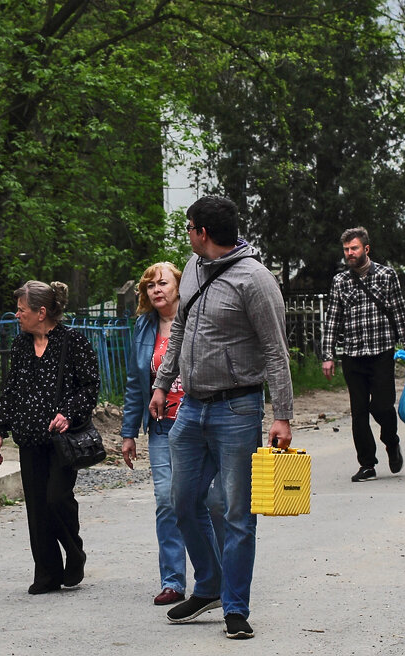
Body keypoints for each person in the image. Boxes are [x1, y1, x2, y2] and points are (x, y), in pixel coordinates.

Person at [149, 195, 294, 641]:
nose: (187, 234)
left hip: (237, 409)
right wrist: (161, 383)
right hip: (190, 408)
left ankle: (235, 606)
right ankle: (207, 585)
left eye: (189, 227)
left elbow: (275, 350)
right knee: (181, 500)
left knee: (235, 512)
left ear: (202, 233)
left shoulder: (256, 280)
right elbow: (180, 335)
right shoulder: (192, 269)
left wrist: (283, 414)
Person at [120, 261, 225, 607]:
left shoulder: (197, 318)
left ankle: (214, 576)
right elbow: (137, 383)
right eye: (150, 285)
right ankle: (173, 582)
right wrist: (128, 432)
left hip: (200, 423)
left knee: (209, 502)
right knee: (167, 500)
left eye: (163, 282)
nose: (156, 290)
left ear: (180, 285)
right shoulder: (144, 326)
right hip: (163, 426)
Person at [0, 280, 100, 595]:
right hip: (29, 438)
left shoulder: (72, 341)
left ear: (41, 312)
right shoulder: (21, 345)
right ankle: (48, 573)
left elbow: (90, 386)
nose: (16, 314)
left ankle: (74, 552)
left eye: (21, 309)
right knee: (37, 508)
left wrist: (68, 413)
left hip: (61, 439)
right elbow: (11, 389)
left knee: (56, 498)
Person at [320, 226, 405, 483]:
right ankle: (367, 464)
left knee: (383, 405)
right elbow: (333, 320)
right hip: (352, 355)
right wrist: (328, 355)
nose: (349, 253)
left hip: (381, 353)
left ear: (366, 249)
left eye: (353, 248)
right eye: (346, 250)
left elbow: (399, 313)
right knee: (359, 411)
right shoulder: (340, 281)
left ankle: (391, 441)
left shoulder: (386, 276)